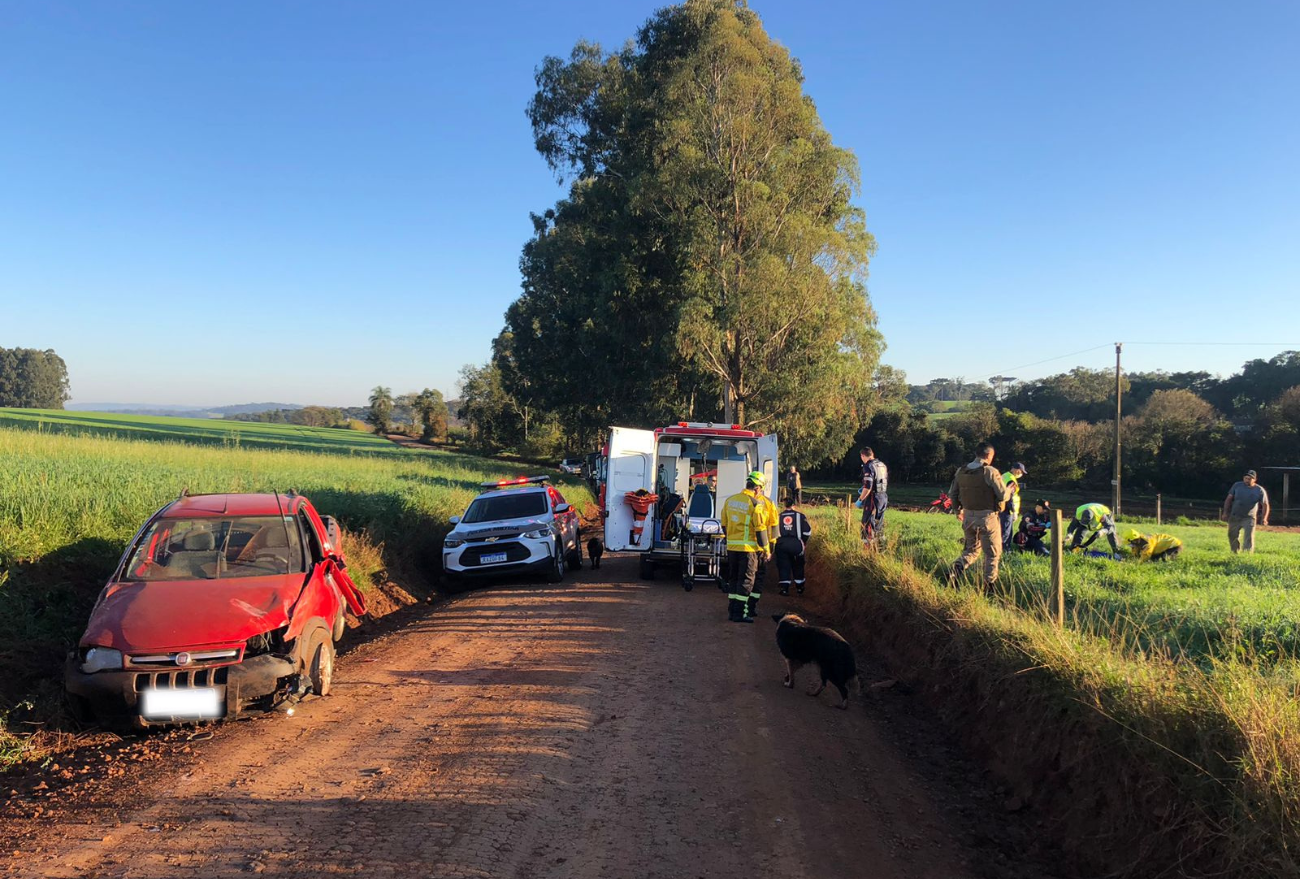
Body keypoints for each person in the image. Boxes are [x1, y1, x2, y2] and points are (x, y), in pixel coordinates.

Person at [947, 442, 1013, 589]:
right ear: (989, 455)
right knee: (992, 553)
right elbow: (1002, 495)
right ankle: (989, 586)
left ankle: (956, 569)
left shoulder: (961, 471)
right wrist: (1009, 490)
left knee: (971, 550)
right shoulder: (989, 471)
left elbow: (953, 494)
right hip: (987, 518)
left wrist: (958, 511)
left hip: (968, 517)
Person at [722, 472, 772, 624]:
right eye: (761, 489)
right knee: (746, 581)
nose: (761, 492)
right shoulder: (755, 504)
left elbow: (724, 524)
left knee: (734, 578)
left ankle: (732, 610)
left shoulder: (730, 501)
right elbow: (760, 529)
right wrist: (766, 549)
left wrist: (731, 539)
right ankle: (740, 613)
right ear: (757, 488)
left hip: (732, 548)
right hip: (748, 550)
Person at [751, 472, 779, 618]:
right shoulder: (766, 503)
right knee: (754, 578)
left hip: (756, 548)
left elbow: (774, 526)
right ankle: (747, 606)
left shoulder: (767, 503)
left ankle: (750, 605)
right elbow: (774, 526)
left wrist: (771, 548)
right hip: (756, 548)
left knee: (754, 578)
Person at [1223, 469, 1270, 554]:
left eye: (1249, 479)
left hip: (1249, 517)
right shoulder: (1237, 485)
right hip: (1235, 515)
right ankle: (1235, 553)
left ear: (1254, 479)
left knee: (1249, 537)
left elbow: (1265, 505)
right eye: (1246, 478)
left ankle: (1247, 555)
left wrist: (1264, 518)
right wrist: (1225, 512)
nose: (1247, 480)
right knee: (1232, 535)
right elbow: (1229, 499)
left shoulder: (1259, 490)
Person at [775, 500, 812, 595]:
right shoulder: (800, 516)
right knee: (798, 565)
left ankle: (784, 589)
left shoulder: (778, 516)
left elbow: (773, 532)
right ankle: (800, 588)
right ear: (793, 505)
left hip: (781, 543)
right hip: (796, 544)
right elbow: (807, 531)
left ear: (784, 505)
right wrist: (803, 542)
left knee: (783, 565)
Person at [857, 447, 889, 546]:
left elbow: (868, 486)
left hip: (873, 498)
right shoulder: (882, 465)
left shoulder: (868, 466)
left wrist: (860, 499)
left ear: (863, 456)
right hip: (883, 497)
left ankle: (867, 551)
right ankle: (881, 548)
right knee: (878, 524)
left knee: (866, 525)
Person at [999, 463, 1027, 551]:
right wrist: (1014, 511)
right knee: (1006, 532)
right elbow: (1010, 497)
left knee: (1002, 530)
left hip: (1001, 507)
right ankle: (1005, 550)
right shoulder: (1011, 480)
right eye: (1021, 472)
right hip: (1008, 510)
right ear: (1017, 470)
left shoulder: (1005, 476)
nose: (1021, 474)